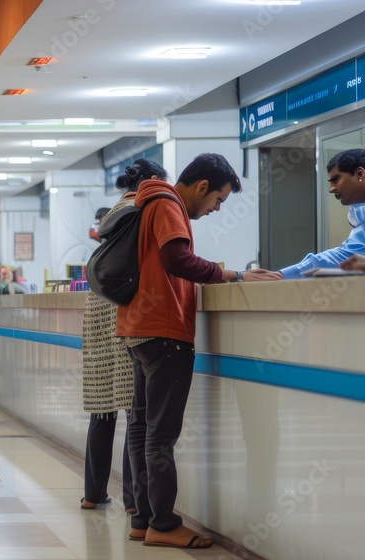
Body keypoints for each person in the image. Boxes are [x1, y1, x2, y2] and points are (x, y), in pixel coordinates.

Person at [115, 153, 281, 548]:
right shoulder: (168, 204)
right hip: (164, 330)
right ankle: (164, 524)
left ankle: (142, 519)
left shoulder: (147, 201)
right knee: (160, 433)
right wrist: (233, 274)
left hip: (137, 326)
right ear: (202, 186)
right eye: (218, 199)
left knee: (141, 426)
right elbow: (177, 259)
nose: (216, 209)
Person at [79, 160, 167, 515]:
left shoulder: (114, 211)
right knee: (135, 410)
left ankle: (93, 493)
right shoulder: (144, 209)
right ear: (154, 181)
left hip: (98, 309)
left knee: (103, 408)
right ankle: (134, 501)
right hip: (126, 310)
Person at [278, 149, 365, 278]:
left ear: (360, 173)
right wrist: (282, 275)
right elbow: (348, 254)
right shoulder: (359, 210)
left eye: (336, 180)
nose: (331, 189)